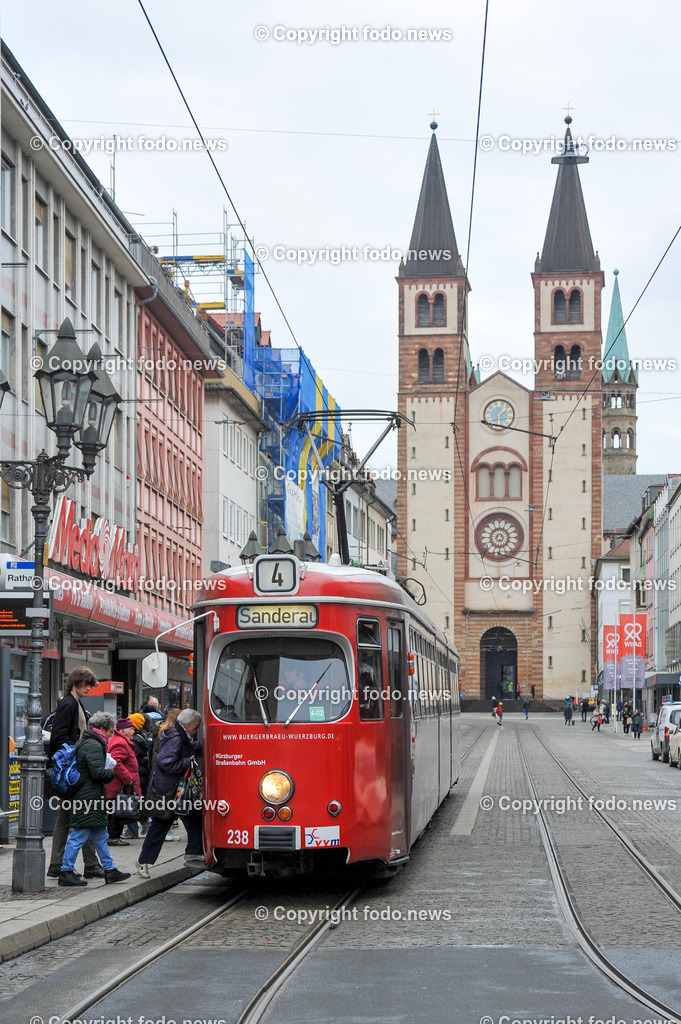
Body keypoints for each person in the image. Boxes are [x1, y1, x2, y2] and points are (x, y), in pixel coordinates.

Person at [58, 711, 131, 886]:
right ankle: (65, 871)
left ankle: (110, 869)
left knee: (100, 835)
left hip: (89, 795)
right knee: (79, 834)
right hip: (88, 797)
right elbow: (98, 773)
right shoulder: (94, 745)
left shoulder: (87, 741)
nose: (111, 734)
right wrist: (111, 772)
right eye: (110, 731)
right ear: (103, 729)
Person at [46, 667, 104, 880]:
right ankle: (90, 864)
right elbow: (59, 736)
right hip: (72, 770)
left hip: (72, 769)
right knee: (82, 814)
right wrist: (79, 752)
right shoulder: (69, 704)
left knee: (69, 816)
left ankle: (59, 864)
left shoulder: (74, 703)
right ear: (76, 682)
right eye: (87, 684)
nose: (89, 688)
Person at [135, 708, 204, 878]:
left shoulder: (181, 734)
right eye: (197, 726)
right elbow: (165, 762)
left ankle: (194, 852)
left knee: (194, 816)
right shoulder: (176, 737)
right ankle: (143, 861)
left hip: (176, 790)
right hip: (168, 791)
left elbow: (190, 746)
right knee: (160, 825)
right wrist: (187, 761)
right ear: (189, 724)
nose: (197, 729)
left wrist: (204, 746)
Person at [104, 718, 142, 846]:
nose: (133, 732)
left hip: (117, 785)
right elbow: (116, 763)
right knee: (117, 811)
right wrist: (128, 779)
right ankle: (113, 837)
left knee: (116, 811)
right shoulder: (121, 742)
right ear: (123, 730)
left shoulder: (120, 740)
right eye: (132, 729)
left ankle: (114, 836)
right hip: (119, 785)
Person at [123, 713, 153, 839]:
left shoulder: (134, 741)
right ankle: (141, 824)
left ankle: (134, 829)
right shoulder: (141, 737)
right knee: (135, 801)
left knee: (132, 801)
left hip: (137, 775)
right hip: (141, 774)